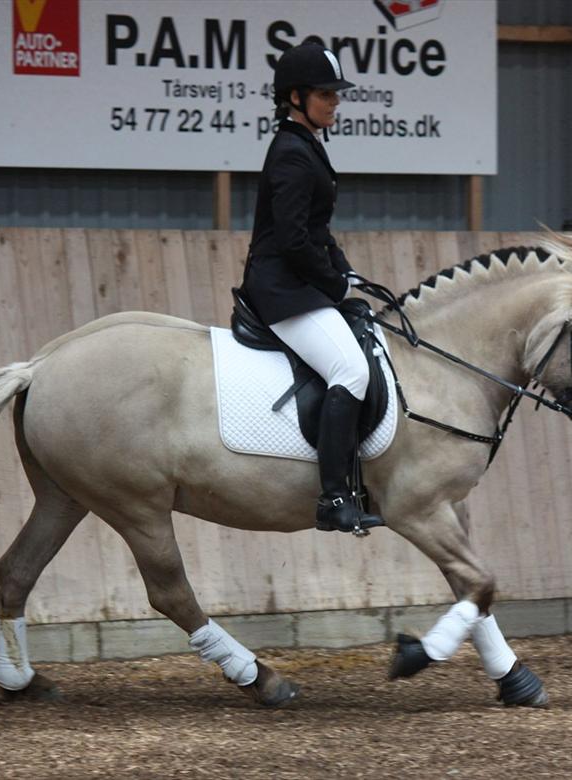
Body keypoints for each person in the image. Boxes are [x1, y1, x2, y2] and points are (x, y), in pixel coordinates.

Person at [240, 42, 384, 534]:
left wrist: (348, 272)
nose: (334, 102)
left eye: (335, 94)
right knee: (351, 368)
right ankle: (333, 496)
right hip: (282, 289)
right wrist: (332, 282)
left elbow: (318, 232)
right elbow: (292, 239)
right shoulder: (291, 154)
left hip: (300, 283)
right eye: (325, 94)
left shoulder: (307, 146)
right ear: (295, 97)